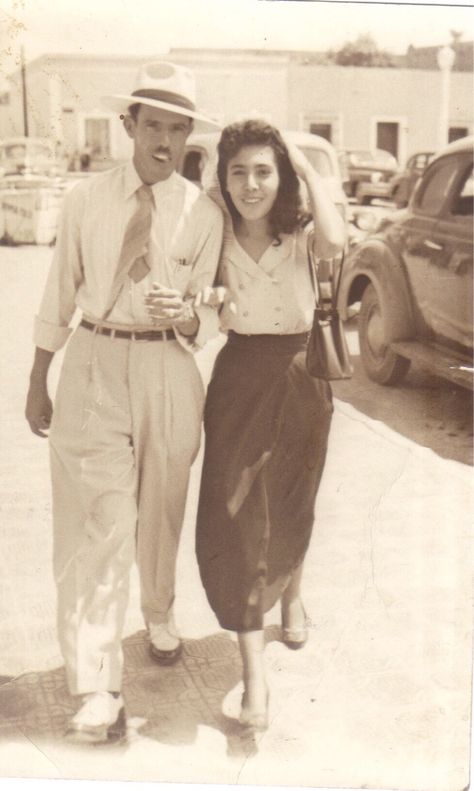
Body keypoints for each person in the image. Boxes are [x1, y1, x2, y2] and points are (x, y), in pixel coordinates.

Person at [24, 61, 224, 743]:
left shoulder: (205, 212)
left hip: (169, 366)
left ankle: (160, 610)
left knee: (163, 505)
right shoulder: (86, 200)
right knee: (100, 526)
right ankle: (98, 683)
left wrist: (188, 316)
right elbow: (58, 290)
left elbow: (212, 314)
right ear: (128, 126)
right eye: (153, 127)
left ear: (189, 133)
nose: (165, 143)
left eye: (178, 129)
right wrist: (37, 375)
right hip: (96, 360)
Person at [196, 119, 346, 733]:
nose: (251, 184)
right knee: (234, 515)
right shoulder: (213, 228)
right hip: (239, 377)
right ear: (222, 177)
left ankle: (292, 593)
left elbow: (337, 243)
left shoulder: (303, 229)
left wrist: (305, 165)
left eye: (264, 171)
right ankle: (254, 677)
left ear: (281, 176)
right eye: (239, 172)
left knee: (291, 498)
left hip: (300, 372)